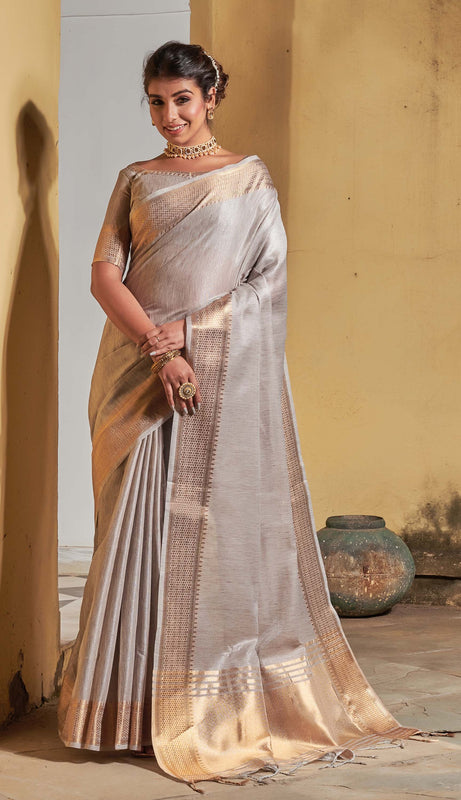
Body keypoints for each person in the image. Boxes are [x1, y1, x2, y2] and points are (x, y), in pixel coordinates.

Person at [58, 41, 421, 787]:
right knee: (135, 535)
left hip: (218, 379)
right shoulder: (136, 179)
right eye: (156, 102)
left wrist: (190, 337)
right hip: (137, 377)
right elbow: (103, 275)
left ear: (211, 97)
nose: (169, 116)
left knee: (213, 534)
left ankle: (206, 708)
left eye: (182, 100)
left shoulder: (248, 181)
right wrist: (160, 350)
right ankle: (127, 711)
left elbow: (266, 285)